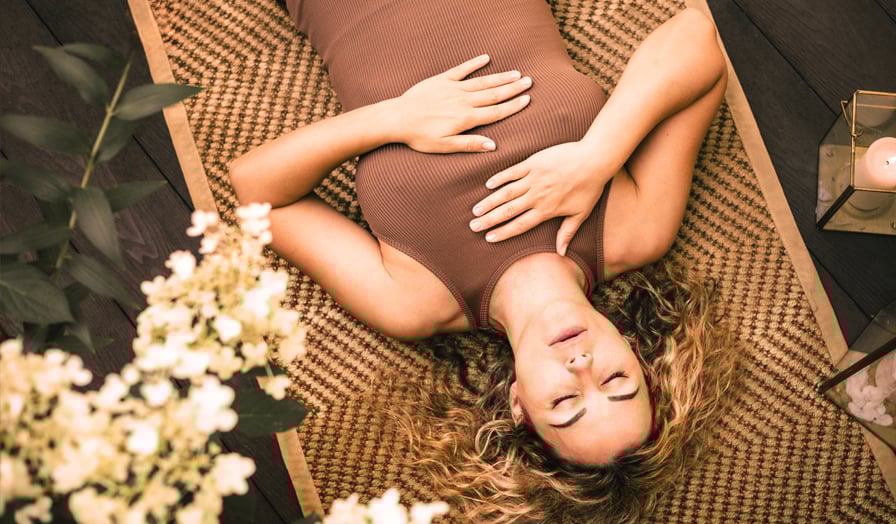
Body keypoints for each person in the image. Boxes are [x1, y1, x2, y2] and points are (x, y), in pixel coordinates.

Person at [231, 1, 739, 521]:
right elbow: (700, 38)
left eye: (565, 403)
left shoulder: (417, 300)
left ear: (519, 405)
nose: (582, 367)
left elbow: (259, 195)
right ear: (636, 355)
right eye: (616, 382)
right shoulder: (635, 230)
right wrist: (597, 155)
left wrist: (392, 118)